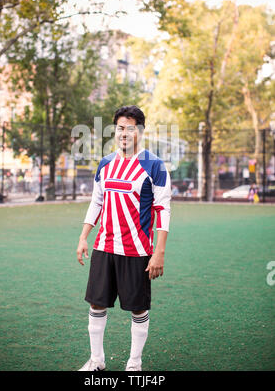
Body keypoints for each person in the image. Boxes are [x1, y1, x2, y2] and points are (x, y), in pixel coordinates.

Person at [76, 105, 171, 371]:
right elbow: (96, 202)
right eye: (120, 128)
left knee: (138, 309)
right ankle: (97, 360)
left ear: (140, 130)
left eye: (131, 128)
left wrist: (159, 252)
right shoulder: (105, 164)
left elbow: (163, 210)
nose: (124, 133)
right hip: (104, 246)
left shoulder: (155, 165)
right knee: (96, 304)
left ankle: (134, 362)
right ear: (114, 131)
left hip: (137, 250)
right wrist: (84, 236)